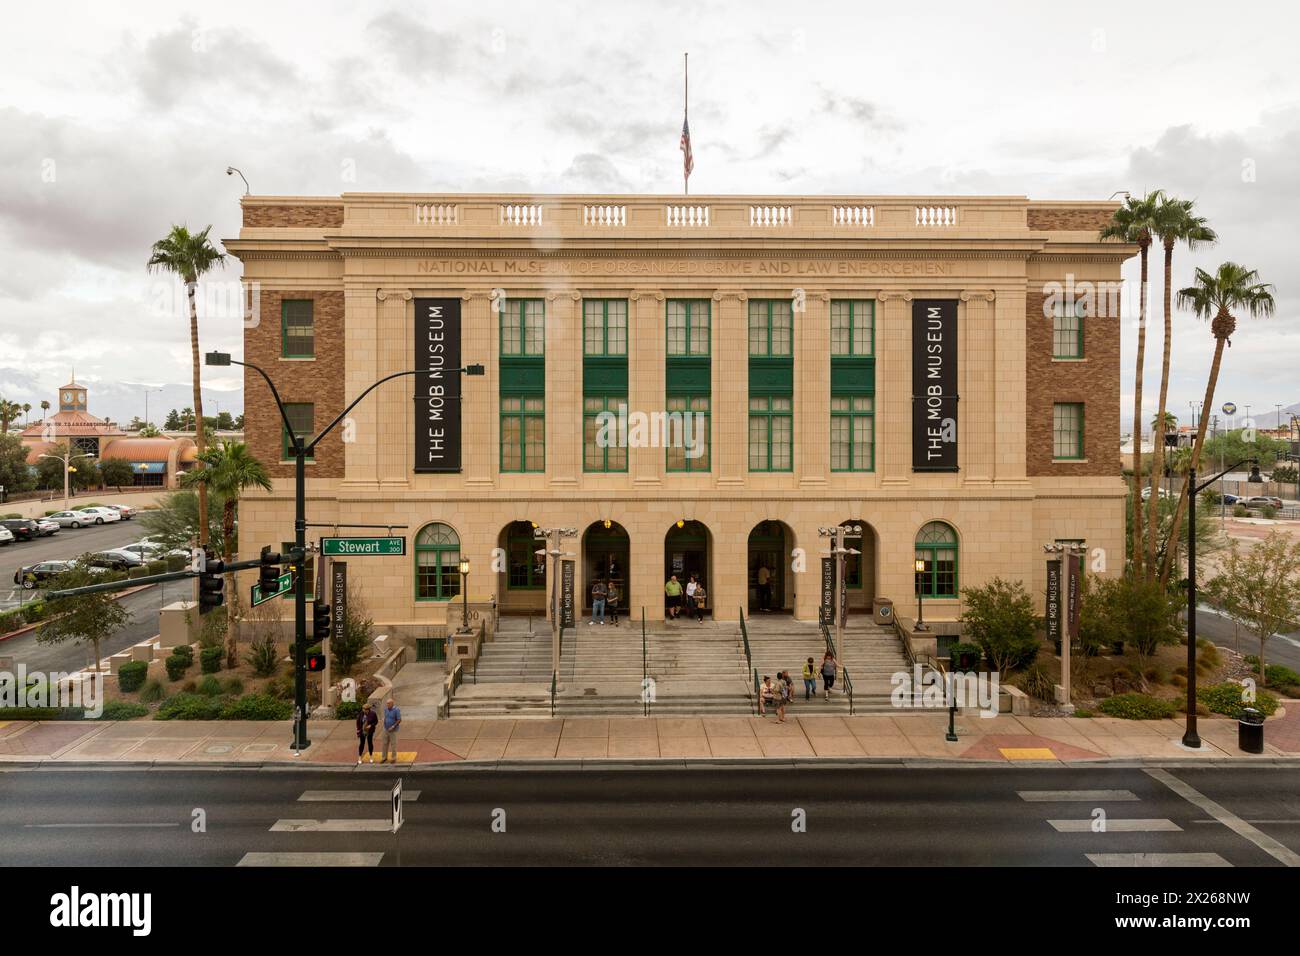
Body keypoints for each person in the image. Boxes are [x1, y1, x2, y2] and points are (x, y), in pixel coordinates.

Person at [381, 698, 401, 764]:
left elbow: (399, 720)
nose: (387, 705)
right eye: (387, 703)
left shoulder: (396, 710)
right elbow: (385, 716)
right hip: (385, 729)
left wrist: (393, 726)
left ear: (392, 704)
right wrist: (384, 720)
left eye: (389, 703)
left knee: (393, 744)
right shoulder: (386, 709)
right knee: (384, 744)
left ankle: (393, 758)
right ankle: (384, 757)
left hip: (393, 730)